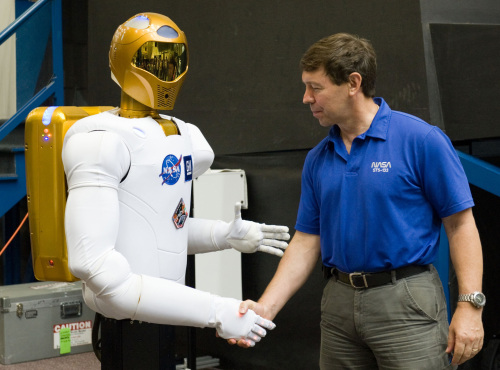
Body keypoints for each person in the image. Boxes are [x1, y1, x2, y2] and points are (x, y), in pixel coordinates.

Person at [234, 33, 485, 368]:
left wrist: (470, 307)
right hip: (338, 303)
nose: (306, 98)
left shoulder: (420, 140)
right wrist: (265, 307)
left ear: (353, 83)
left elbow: (460, 224)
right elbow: (308, 240)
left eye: (316, 87)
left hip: (406, 300)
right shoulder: (319, 158)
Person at [61, 12, 290, 347]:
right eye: (154, 61)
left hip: (165, 309)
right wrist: (215, 309)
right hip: (126, 317)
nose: (165, 74)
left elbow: (167, 227)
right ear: (125, 62)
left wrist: (223, 234)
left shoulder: (186, 136)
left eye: (174, 62)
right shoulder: (99, 141)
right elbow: (94, 264)